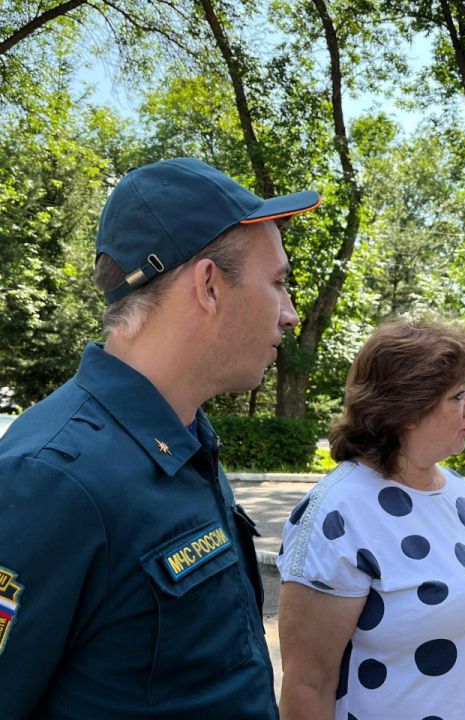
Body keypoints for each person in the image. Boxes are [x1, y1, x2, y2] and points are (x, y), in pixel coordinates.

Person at [0, 157, 320, 719]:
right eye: (278, 283)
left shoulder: (183, 435)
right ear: (209, 285)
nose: (290, 314)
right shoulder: (52, 478)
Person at [277, 319, 465, 720]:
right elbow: (309, 684)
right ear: (409, 410)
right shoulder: (337, 512)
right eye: (457, 396)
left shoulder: (457, 488)